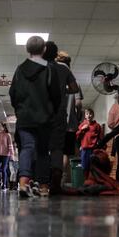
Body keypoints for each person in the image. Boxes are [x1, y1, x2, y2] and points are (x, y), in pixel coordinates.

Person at [9, 36, 62, 198]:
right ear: (44, 49)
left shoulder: (19, 69)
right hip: (44, 118)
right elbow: (56, 95)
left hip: (25, 118)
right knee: (43, 151)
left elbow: (13, 93)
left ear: (27, 49)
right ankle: (44, 186)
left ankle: (23, 183)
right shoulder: (49, 69)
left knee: (27, 147)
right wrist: (51, 111)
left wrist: (19, 111)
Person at [44, 43, 81, 195]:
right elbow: (74, 89)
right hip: (60, 114)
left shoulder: (39, 67)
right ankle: (57, 180)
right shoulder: (64, 69)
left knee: (42, 147)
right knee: (58, 148)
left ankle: (41, 182)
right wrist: (62, 90)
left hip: (42, 113)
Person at [58, 52, 84, 174]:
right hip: (69, 125)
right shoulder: (75, 83)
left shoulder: (53, 83)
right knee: (66, 154)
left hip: (55, 124)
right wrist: (77, 117)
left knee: (55, 152)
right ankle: (64, 180)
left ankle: (53, 180)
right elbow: (78, 104)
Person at [76, 109, 102, 173]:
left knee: (93, 167)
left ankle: (92, 179)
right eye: (87, 114)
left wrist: (101, 146)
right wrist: (82, 129)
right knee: (84, 167)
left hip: (93, 149)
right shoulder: (82, 125)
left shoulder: (97, 125)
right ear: (85, 116)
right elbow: (77, 136)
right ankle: (85, 179)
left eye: (90, 114)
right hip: (84, 149)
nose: (89, 115)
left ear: (93, 115)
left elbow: (100, 137)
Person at [0, 124, 14, 191]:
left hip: (6, 155)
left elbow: (10, 145)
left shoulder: (8, 135)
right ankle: (0, 181)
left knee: (4, 169)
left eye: (0, 126)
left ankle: (4, 185)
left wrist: (12, 155)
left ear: (4, 127)